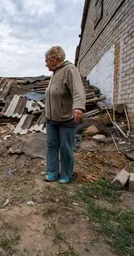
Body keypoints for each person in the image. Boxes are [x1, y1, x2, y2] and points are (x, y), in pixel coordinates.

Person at [44, 46, 86, 184]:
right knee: (51, 145)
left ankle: (66, 174)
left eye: (47, 60)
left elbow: (78, 89)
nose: (46, 64)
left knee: (65, 147)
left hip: (66, 119)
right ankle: (51, 172)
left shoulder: (69, 69)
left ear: (55, 59)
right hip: (51, 119)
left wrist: (78, 107)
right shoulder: (55, 73)